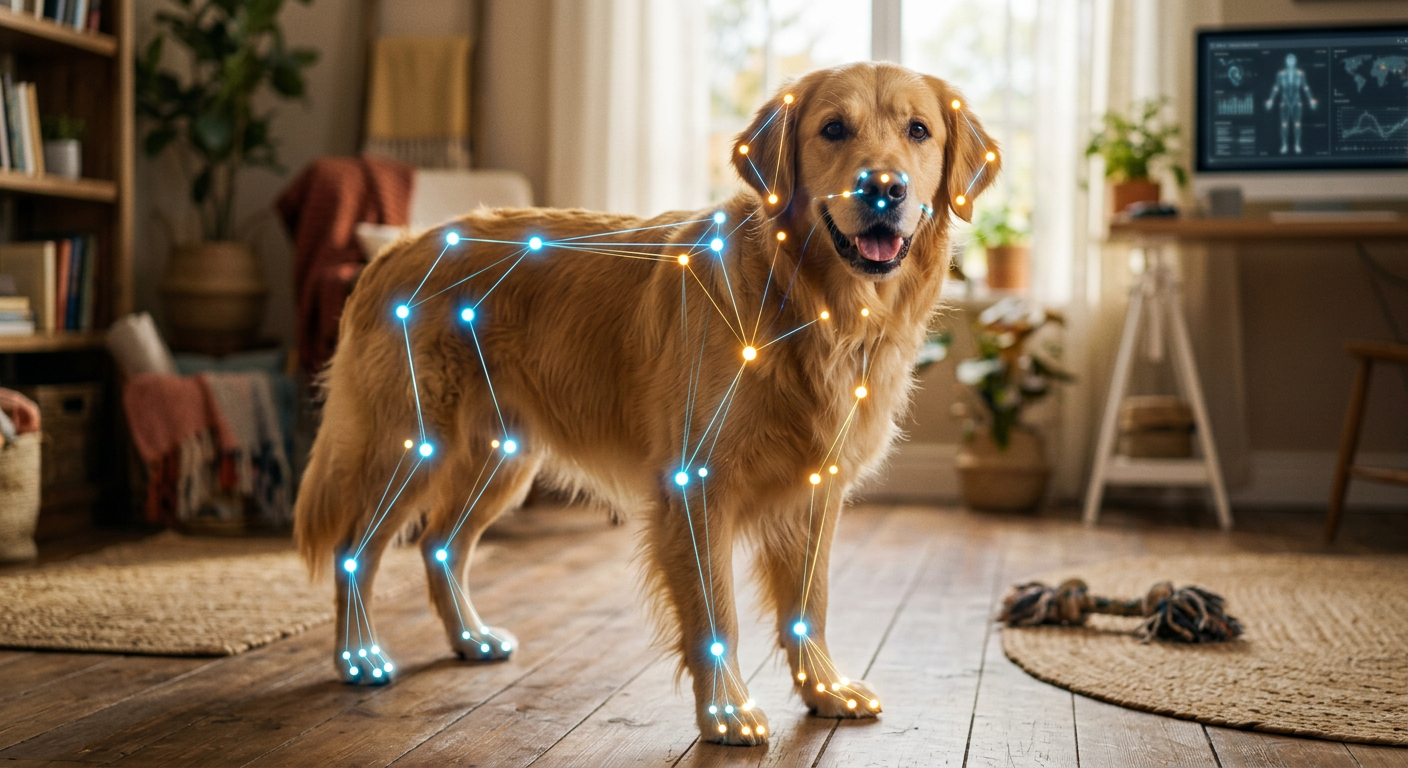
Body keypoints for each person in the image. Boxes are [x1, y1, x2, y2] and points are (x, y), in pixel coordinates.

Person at [1265, 52, 1318, 154]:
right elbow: (1276, 87)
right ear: (1286, 61)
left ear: (1295, 61)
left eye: (1292, 60)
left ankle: (1297, 145)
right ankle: (1284, 145)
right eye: (1289, 60)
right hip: (1285, 101)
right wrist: (1271, 100)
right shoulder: (1281, 74)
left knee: (1297, 124)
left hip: (1296, 101)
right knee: (1284, 124)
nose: (1290, 62)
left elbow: (1305, 87)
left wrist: (1311, 99)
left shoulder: (1300, 73)